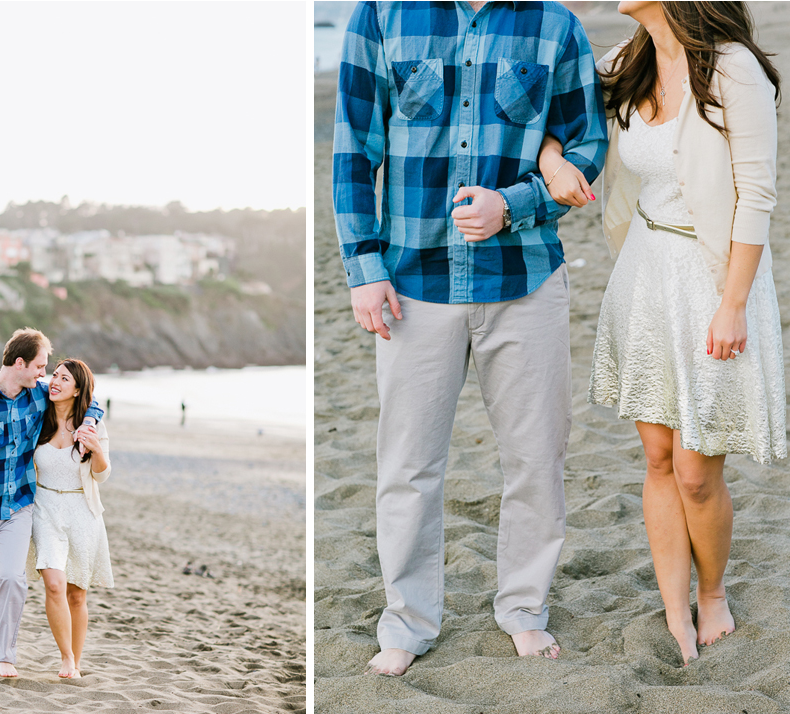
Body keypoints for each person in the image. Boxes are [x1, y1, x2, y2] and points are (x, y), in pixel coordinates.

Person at [333, 1, 608, 675]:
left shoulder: (554, 25)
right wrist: (363, 269)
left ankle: (523, 610)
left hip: (525, 279)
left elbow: (585, 146)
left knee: (536, 459)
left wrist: (514, 205)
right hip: (409, 282)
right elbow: (353, 150)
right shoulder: (381, 16)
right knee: (407, 467)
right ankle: (407, 622)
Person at [538, 1, 785, 666]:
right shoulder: (626, 61)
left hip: (714, 280)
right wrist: (553, 156)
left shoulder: (733, 71)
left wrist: (732, 304)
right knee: (655, 458)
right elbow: (551, 110)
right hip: (645, 274)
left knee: (696, 470)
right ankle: (674, 608)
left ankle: (712, 594)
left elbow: (757, 194)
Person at [0, 328, 102, 677]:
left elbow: (87, 396)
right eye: (40, 366)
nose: (44, 374)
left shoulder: (37, 395)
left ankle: (4, 656)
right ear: (20, 363)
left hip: (18, 507)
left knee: (14, 580)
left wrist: (90, 420)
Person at [27, 358, 113, 679]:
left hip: (82, 510)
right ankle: (65, 658)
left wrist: (97, 451)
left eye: (65, 379)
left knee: (77, 594)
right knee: (54, 584)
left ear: (78, 390)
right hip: (45, 506)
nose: (55, 382)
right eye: (55, 375)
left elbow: (102, 476)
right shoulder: (40, 419)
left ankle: (76, 663)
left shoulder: (92, 425)